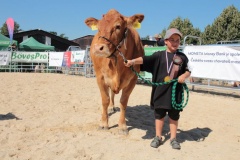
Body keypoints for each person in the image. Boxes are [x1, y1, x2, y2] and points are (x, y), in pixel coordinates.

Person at [124, 28, 191, 149]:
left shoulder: (182, 57)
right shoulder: (159, 55)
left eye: (177, 40)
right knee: (159, 115)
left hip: (176, 93)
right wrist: (132, 61)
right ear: (166, 41)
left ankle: (173, 138)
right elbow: (144, 59)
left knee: (174, 116)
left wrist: (184, 76)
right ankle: (158, 137)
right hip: (160, 92)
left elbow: (188, 71)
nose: (175, 43)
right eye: (172, 40)